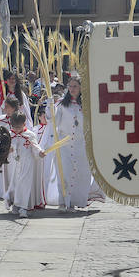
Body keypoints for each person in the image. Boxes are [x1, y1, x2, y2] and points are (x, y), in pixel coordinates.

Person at [44, 77, 98, 212]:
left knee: (80, 173)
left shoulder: (86, 104)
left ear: (81, 88)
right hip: (64, 145)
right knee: (64, 173)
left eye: (75, 86)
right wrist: (50, 106)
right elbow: (53, 120)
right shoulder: (62, 104)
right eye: (70, 86)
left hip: (81, 145)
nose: (72, 89)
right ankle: (63, 202)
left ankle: (75, 201)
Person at [4, 111, 45, 216]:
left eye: (19, 127)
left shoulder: (29, 135)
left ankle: (23, 207)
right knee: (14, 184)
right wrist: (7, 151)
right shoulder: (9, 134)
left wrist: (40, 152)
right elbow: (4, 148)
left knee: (24, 185)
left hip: (27, 163)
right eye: (15, 127)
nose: (17, 130)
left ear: (24, 124)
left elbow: (35, 146)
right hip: (13, 163)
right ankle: (15, 205)